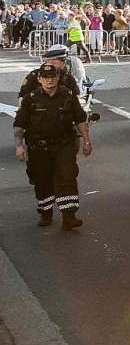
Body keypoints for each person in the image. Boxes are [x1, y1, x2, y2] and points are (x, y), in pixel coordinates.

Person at [13, 63, 92, 229]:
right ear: (39, 79)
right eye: (45, 77)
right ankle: (46, 213)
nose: (49, 81)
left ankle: (69, 216)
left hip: (64, 145)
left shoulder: (68, 96)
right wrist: (19, 146)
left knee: (67, 176)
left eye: (52, 77)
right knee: (42, 180)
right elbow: (19, 125)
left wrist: (86, 141)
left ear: (57, 78)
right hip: (39, 148)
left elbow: (80, 119)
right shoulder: (30, 99)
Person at [18, 45, 81, 109]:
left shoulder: (67, 77)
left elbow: (77, 97)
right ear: (50, 61)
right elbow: (22, 97)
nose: (64, 63)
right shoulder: (34, 76)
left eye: (64, 61)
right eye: (62, 60)